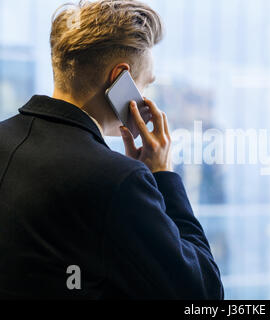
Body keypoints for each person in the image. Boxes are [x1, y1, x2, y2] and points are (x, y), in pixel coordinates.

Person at [0, 0, 224, 300]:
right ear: (120, 78)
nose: (144, 99)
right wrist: (163, 176)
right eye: (145, 85)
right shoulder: (118, 180)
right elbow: (203, 293)